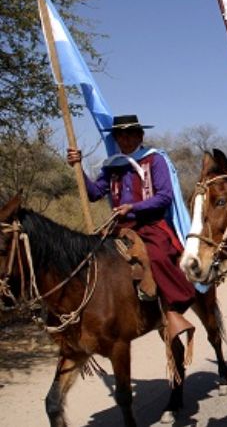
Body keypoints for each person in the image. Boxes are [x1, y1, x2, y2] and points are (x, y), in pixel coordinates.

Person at [66, 114, 196, 340]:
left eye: (129, 134)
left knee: (157, 256)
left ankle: (172, 308)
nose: (124, 139)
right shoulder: (112, 165)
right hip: (118, 227)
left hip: (149, 224)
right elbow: (96, 193)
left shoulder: (155, 160)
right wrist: (78, 167)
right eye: (120, 135)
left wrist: (133, 207)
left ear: (140, 135)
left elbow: (164, 196)